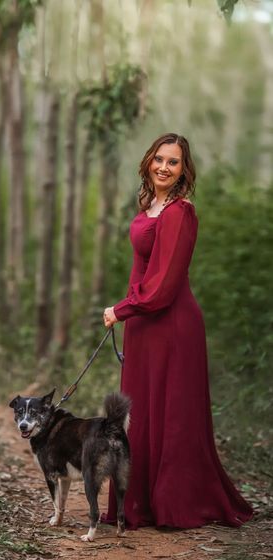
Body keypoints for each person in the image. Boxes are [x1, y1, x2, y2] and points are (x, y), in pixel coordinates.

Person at [101, 133, 253, 529]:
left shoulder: (180, 213)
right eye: (159, 159)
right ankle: (138, 502)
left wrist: (121, 309)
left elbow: (164, 285)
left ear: (184, 170)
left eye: (173, 162)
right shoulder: (151, 205)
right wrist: (128, 312)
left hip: (172, 326)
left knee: (173, 417)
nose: (164, 167)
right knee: (141, 414)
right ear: (148, 161)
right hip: (143, 327)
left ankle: (175, 505)